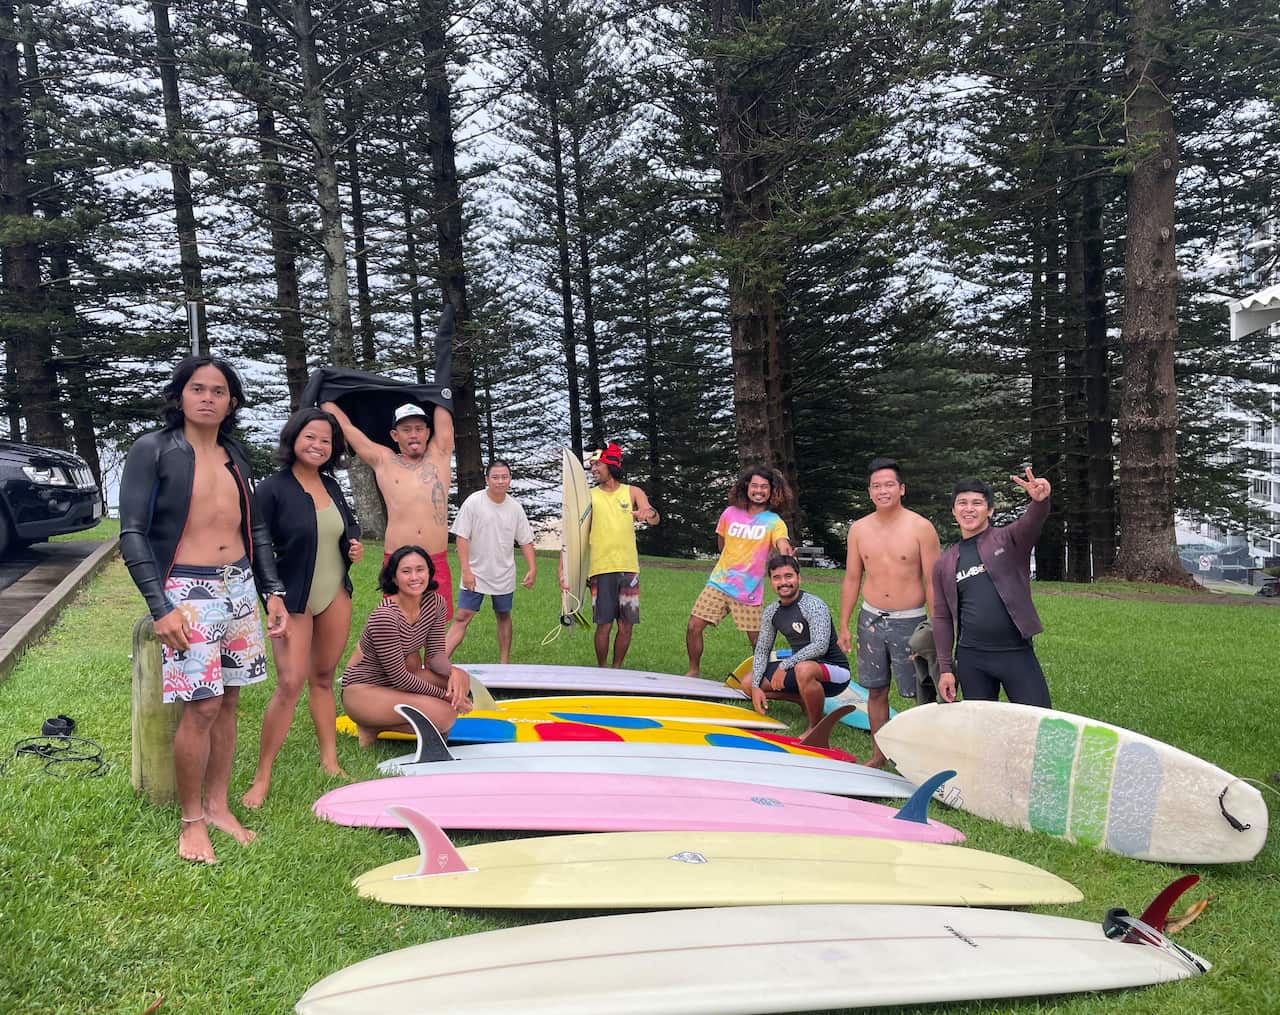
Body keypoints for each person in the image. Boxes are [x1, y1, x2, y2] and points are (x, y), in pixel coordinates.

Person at [119, 356, 288, 864]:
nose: (209, 397)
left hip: (238, 585)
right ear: (180, 396)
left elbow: (252, 529)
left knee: (230, 700)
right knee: (202, 705)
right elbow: (131, 533)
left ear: (232, 402)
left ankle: (218, 805)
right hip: (187, 592)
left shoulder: (235, 454)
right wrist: (160, 606)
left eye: (219, 390)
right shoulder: (153, 450)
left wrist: (271, 590)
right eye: (199, 388)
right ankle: (191, 821)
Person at [242, 408, 364, 808]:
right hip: (292, 596)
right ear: (293, 439)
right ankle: (262, 778)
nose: (318, 445)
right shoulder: (272, 489)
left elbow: (347, 525)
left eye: (326, 440)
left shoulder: (332, 485)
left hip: (335, 592)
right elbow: (258, 548)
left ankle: (330, 762)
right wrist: (270, 594)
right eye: (310, 437)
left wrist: (353, 545)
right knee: (290, 682)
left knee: (324, 678)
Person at [837, 457, 941, 768]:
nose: (883, 491)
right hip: (870, 620)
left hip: (911, 620)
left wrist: (935, 624)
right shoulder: (858, 529)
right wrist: (844, 623)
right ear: (869, 491)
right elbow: (852, 578)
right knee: (875, 688)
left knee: (918, 692)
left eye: (889, 485)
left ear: (901, 488)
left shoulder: (921, 528)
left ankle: (921, 757)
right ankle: (879, 753)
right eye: (876, 486)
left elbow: (932, 581)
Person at [931, 468, 1053, 707]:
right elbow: (942, 616)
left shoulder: (1008, 540)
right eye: (962, 503)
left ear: (990, 510)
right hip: (972, 658)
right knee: (982, 732)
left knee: (1039, 722)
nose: (969, 508)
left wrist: (1040, 502)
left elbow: (1031, 523)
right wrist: (946, 669)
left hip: (1016, 652)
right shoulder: (945, 563)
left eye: (977, 503)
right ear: (953, 511)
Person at [322, 398, 455, 617]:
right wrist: (325, 397)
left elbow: (443, 406)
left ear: (428, 432)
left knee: (435, 626)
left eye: (419, 429)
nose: (414, 434)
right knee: (397, 625)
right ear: (395, 435)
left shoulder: (439, 456)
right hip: (397, 559)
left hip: (434, 559)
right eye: (406, 429)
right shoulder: (384, 460)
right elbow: (347, 429)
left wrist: (441, 387)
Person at [340, 545, 472, 744]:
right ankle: (371, 723)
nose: (414, 577)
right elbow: (400, 678)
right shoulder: (386, 616)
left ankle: (385, 720)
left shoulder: (435, 603)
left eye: (420, 569)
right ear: (394, 577)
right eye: (406, 571)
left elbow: (435, 655)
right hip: (364, 689)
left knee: (460, 684)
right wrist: (445, 697)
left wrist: (455, 673)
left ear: (429, 572)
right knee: (445, 714)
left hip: (398, 681)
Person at [684, 466, 793, 676]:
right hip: (719, 583)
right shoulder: (730, 513)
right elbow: (722, 542)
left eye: (764, 487)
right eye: (755, 486)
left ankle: (765, 677)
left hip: (748, 591)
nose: (759, 491)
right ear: (746, 487)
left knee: (757, 641)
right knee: (693, 626)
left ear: (772, 491)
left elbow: (782, 542)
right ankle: (693, 671)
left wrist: (786, 551)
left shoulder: (774, 522)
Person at [560, 442, 659, 668]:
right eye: (592, 465)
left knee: (626, 625)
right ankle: (602, 669)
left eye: (598, 465)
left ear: (611, 466)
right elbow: (573, 535)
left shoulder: (632, 492)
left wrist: (648, 513)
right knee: (603, 624)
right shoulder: (589, 496)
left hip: (628, 568)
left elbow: (653, 517)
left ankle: (617, 669)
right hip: (601, 568)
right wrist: (563, 569)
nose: (594, 469)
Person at [745, 555, 851, 736]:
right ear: (770, 581)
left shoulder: (813, 605)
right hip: (799, 666)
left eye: (788, 576)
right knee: (747, 683)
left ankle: (815, 727)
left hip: (834, 671)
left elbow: (820, 646)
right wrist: (756, 687)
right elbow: (762, 650)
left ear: (798, 578)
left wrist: (785, 665)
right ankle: (803, 699)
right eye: (777, 578)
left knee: (803, 669)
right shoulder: (772, 611)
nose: (783, 582)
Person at [446, 460, 536, 663]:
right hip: (475, 573)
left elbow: (526, 540)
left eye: (504, 477)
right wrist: (466, 571)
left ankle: (504, 663)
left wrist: (532, 568)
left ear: (510, 480)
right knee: (463, 616)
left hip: (503, 573)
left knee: (503, 615)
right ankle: (439, 662)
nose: (500, 481)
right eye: (495, 477)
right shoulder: (473, 502)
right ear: (487, 479)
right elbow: (461, 537)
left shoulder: (515, 508)